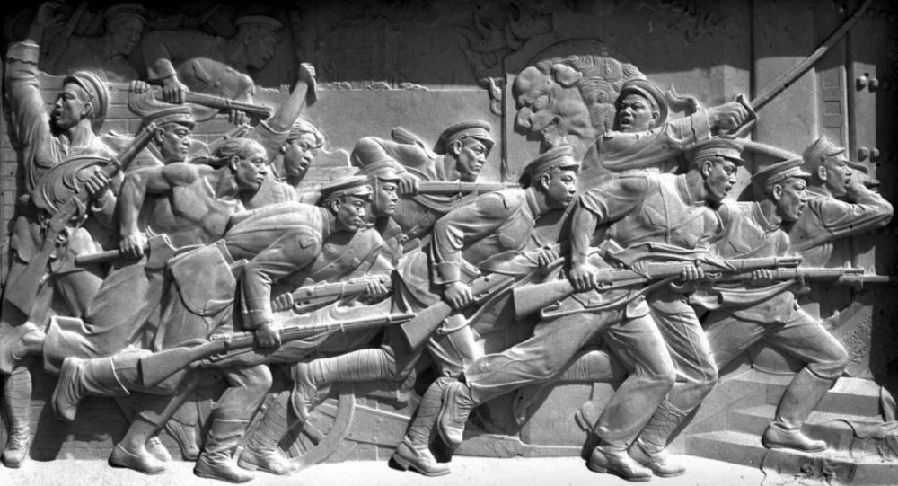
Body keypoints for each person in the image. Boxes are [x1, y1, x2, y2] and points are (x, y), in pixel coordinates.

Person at [436, 139, 742, 482]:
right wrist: (579, 262)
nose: (733, 180)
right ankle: (465, 392)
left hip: (633, 299)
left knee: (659, 372)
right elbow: (589, 205)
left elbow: (680, 278)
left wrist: (689, 280)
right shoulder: (648, 185)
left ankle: (610, 448)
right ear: (707, 166)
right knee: (543, 360)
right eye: (729, 170)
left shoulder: (708, 221)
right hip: (596, 286)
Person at [51, 177, 374, 483]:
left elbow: (239, 223)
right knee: (174, 367)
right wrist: (262, 322)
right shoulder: (310, 238)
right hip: (207, 282)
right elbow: (258, 272)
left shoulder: (304, 212)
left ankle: (197, 455)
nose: (363, 213)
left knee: (254, 379)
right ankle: (84, 376)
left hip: (218, 280)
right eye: (357, 205)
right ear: (336, 204)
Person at [288, 146, 579, 476]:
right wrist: (451, 280)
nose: (574, 187)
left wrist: (534, 261)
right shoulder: (507, 203)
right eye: (567, 179)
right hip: (429, 284)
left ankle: (317, 373)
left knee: (395, 365)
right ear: (545, 180)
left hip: (440, 289)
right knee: (466, 368)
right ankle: (414, 444)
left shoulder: (527, 215)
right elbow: (447, 227)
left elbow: (492, 255)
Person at [0, 4, 115, 467]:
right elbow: (20, 82)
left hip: (76, 255)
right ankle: (19, 434)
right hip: (29, 252)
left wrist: (104, 196)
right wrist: (37, 28)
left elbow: (117, 218)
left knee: (109, 334)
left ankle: (71, 374)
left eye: (67, 99)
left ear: (88, 107)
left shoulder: (103, 158)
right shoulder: (40, 141)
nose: (57, 105)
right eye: (59, 98)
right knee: (8, 347)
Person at [688, 160, 849, 464]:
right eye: (799, 189)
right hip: (742, 314)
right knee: (695, 372)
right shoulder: (730, 214)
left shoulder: (780, 238)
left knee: (833, 358)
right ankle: (640, 439)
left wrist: (795, 283)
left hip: (780, 312)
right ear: (777, 191)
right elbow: (694, 253)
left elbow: (779, 282)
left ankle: (785, 428)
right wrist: (739, 275)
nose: (805, 199)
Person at [789, 136, 894, 267]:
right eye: (842, 165)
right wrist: (856, 188)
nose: (849, 171)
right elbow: (885, 210)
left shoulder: (805, 200)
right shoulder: (824, 207)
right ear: (822, 173)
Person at [141, 15, 283, 104]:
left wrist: (238, 114)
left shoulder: (244, 82)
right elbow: (154, 41)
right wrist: (169, 80)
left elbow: (246, 113)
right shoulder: (204, 44)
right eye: (269, 44)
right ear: (248, 38)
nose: (271, 52)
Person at [44, 3, 147, 81]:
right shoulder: (74, 45)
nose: (134, 38)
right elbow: (46, 77)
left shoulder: (129, 73)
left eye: (138, 33)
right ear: (113, 27)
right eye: (130, 30)